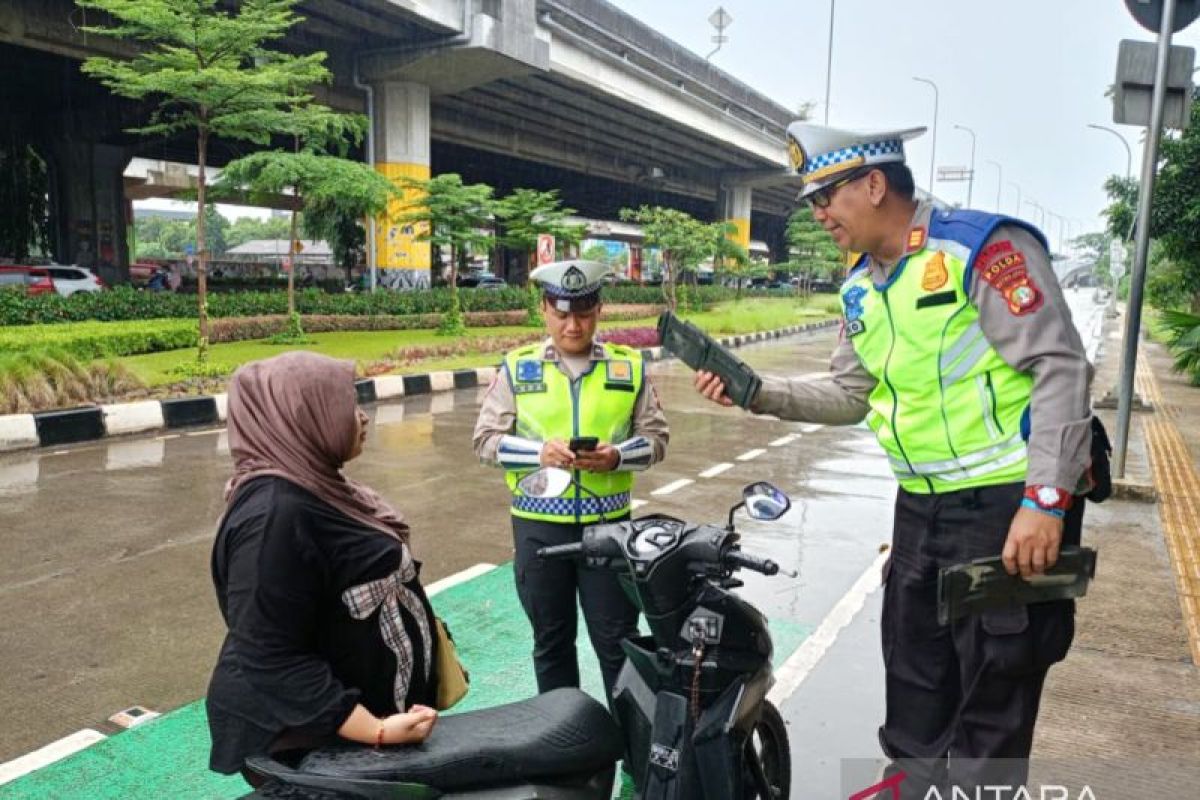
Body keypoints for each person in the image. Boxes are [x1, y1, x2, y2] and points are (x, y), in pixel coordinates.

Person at [696, 122, 1093, 797]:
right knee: (914, 698)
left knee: (990, 712)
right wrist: (758, 392)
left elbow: (1059, 368)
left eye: (825, 198)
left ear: (874, 184)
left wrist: (1045, 501)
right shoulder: (861, 285)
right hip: (919, 513)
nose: (819, 216)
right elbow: (853, 393)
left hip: (1006, 510)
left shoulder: (981, 249)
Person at [206, 351, 438, 785]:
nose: (361, 417)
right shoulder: (275, 518)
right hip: (306, 744)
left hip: (348, 735)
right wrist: (377, 731)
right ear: (301, 417)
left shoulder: (318, 485)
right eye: (345, 405)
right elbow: (270, 655)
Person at [473, 259, 669, 701]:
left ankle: (634, 752)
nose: (573, 326)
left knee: (618, 642)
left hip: (610, 529)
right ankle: (565, 753)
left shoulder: (629, 367)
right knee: (551, 642)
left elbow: (657, 439)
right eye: (562, 314)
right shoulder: (517, 369)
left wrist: (616, 456)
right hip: (539, 531)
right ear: (544, 309)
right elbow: (485, 442)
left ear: (599, 310)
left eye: (583, 314)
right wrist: (538, 454)